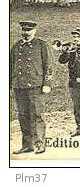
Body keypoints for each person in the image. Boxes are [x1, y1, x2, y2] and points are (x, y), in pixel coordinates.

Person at [11, 20, 52, 154]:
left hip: (35, 85)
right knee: (22, 115)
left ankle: (39, 144)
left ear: (34, 31)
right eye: (24, 30)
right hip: (19, 86)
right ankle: (27, 145)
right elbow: (10, 66)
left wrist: (47, 83)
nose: (26, 33)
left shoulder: (41, 45)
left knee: (36, 115)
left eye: (29, 30)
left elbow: (49, 66)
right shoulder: (17, 46)